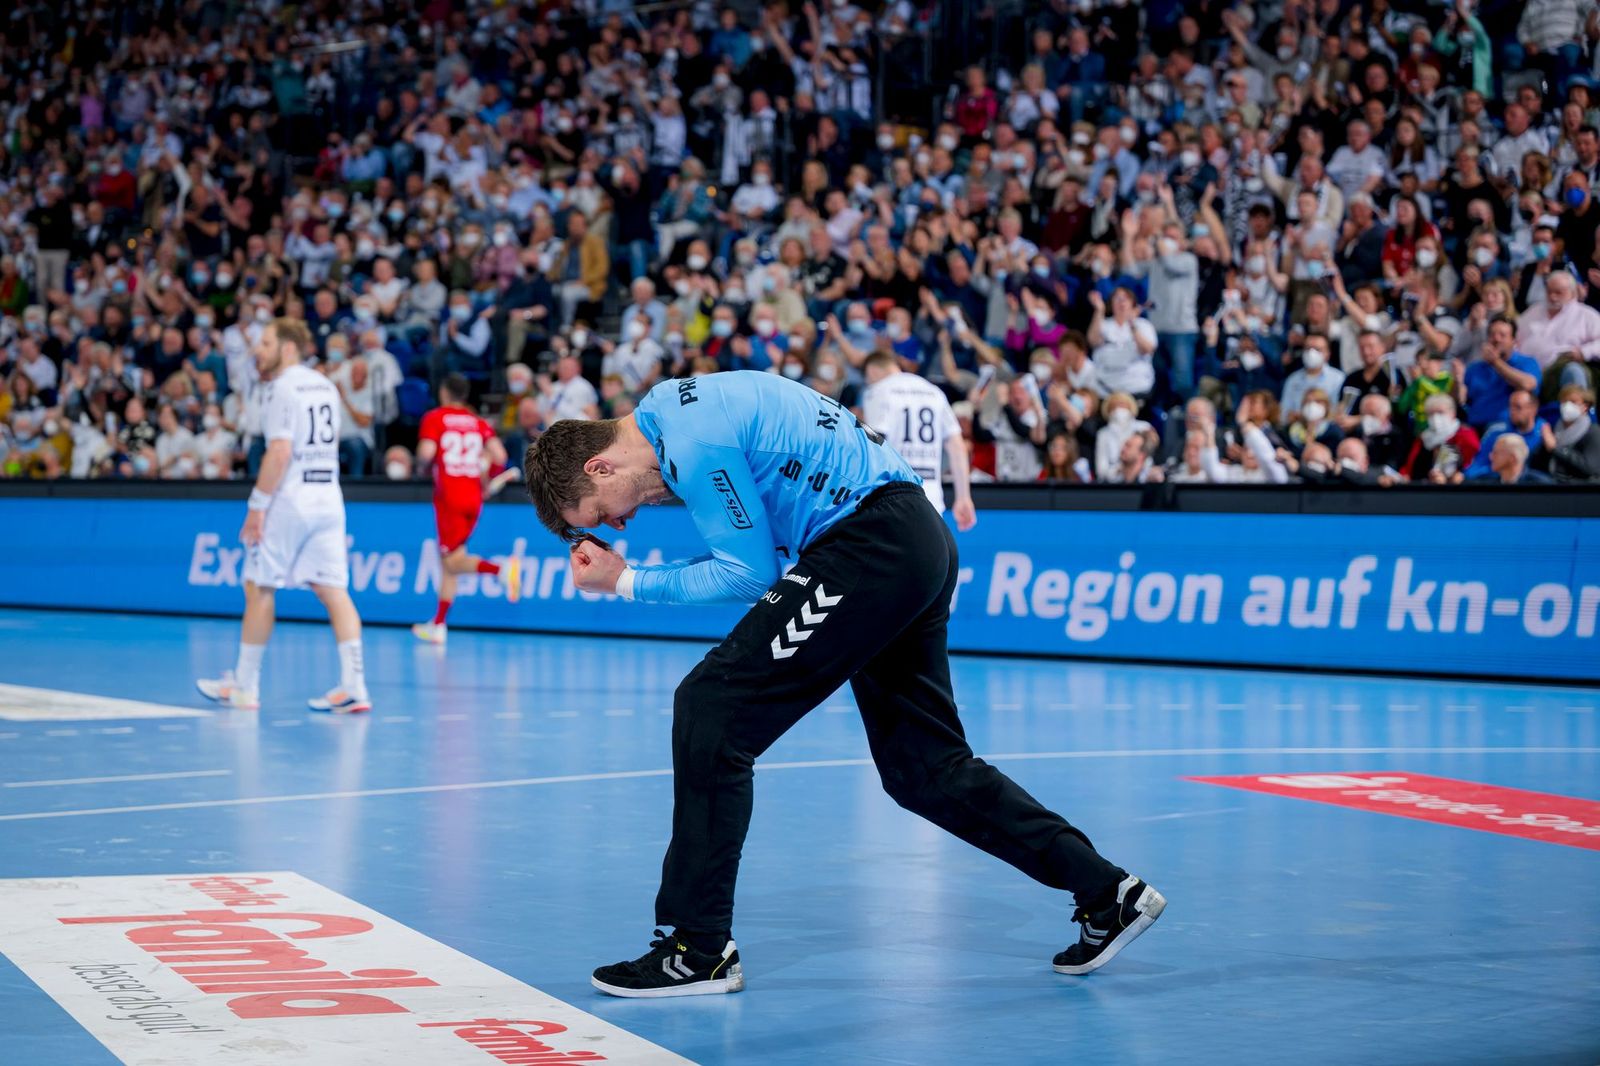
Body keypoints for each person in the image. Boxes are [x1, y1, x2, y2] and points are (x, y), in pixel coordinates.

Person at [523, 370, 1163, 998]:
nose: (622, 524)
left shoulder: (690, 442)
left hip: (869, 541)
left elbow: (748, 577)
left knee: (711, 707)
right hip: (914, 537)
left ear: (601, 467)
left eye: (605, 512)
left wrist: (625, 583)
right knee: (923, 767)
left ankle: (697, 949)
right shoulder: (678, 412)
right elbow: (760, 557)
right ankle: (1107, 892)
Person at [195, 319, 370, 714]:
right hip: (329, 495)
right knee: (333, 590)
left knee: (259, 587)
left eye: (267, 343)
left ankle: (244, 685)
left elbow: (279, 452)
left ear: (289, 347)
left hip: (292, 498)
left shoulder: (280, 388)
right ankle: (355, 685)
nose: (258, 350)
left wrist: (257, 506)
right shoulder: (325, 384)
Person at [411, 374, 522, 645]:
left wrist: (423, 468)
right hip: (473, 497)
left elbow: (426, 453)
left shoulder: (435, 418)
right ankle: (438, 625)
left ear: (445, 392)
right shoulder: (478, 422)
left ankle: (501, 570)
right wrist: (486, 476)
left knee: (452, 561)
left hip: (449, 497)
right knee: (448, 562)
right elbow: (501, 456)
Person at [860, 351, 976, 530]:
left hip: (892, 497)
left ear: (873, 371)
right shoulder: (934, 391)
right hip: (931, 498)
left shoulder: (878, 391)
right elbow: (957, 446)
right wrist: (963, 497)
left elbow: (874, 444)